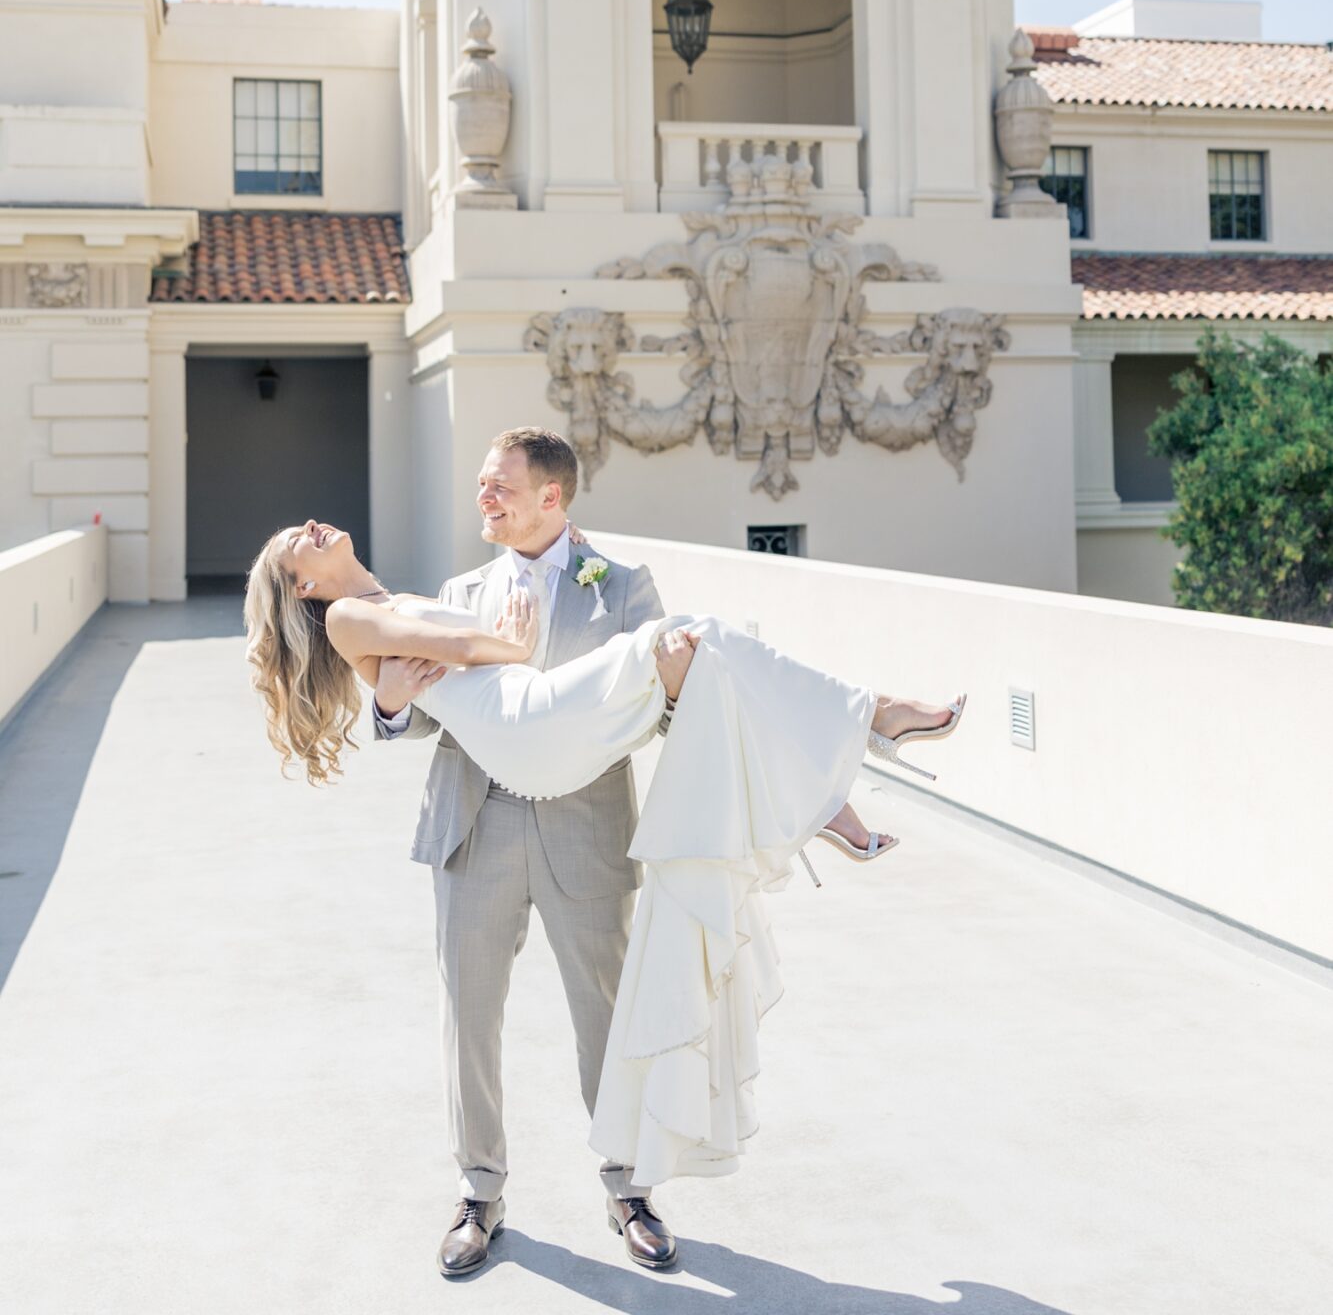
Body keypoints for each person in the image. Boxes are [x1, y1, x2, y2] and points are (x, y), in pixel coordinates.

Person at [244, 431, 963, 1277]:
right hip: (477, 818)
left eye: (498, 486)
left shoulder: (621, 584)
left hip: (581, 811)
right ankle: (479, 1194)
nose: (484, 499)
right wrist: (393, 705)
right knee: (469, 1021)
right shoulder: (450, 590)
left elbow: (663, 714)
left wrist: (554, 693)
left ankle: (627, 1190)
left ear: (551, 496)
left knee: (608, 1021)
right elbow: (431, 706)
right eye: (482, 487)